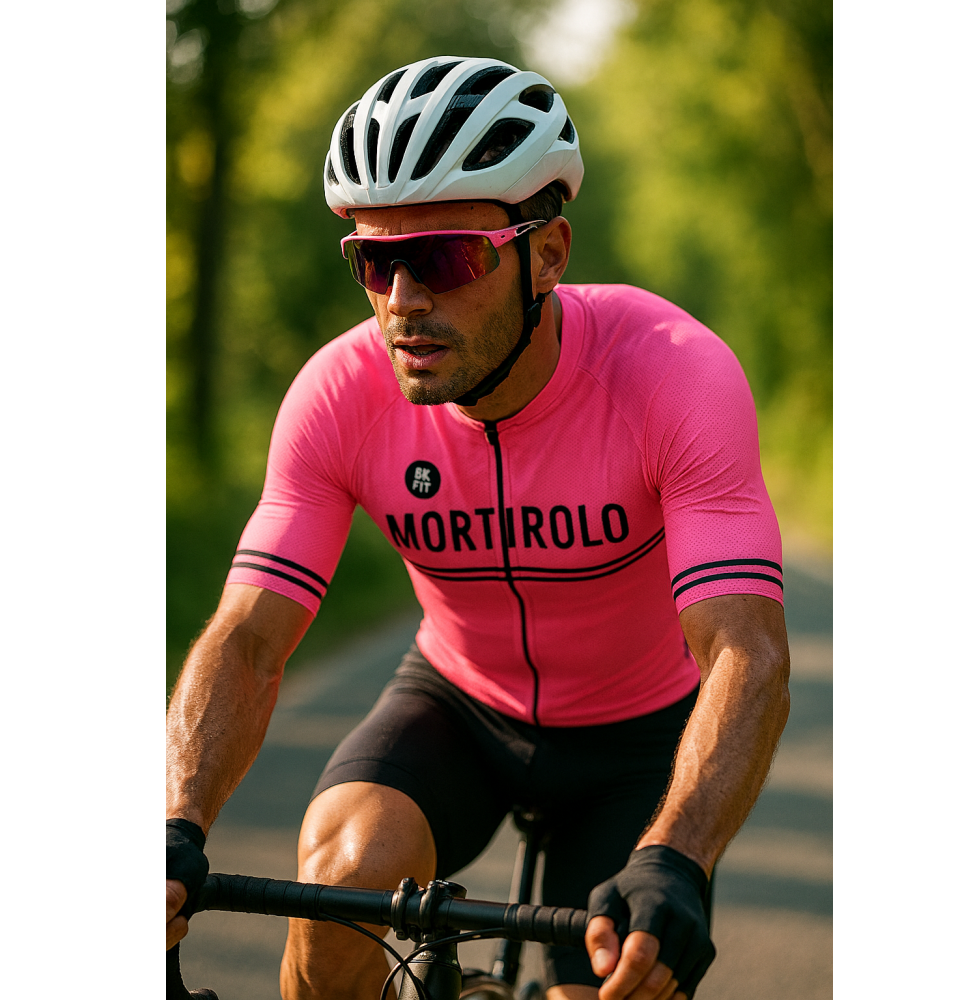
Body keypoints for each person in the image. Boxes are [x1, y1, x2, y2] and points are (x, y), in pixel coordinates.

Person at [166, 55, 790, 1000]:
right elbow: (249, 638)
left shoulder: (672, 374)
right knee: (338, 884)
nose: (404, 301)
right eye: (375, 262)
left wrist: (679, 855)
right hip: (458, 707)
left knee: (615, 981)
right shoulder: (338, 393)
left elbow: (748, 651)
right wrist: (175, 826)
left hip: (638, 738)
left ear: (549, 254)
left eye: (448, 259)